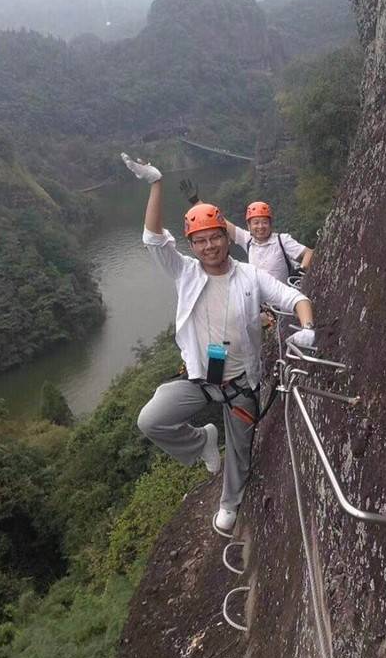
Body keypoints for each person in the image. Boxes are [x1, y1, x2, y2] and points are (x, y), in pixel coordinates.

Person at [121, 153, 315, 534]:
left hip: (241, 381)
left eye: (215, 237)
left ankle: (230, 502)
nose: (209, 246)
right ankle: (202, 442)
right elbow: (153, 239)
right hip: (202, 375)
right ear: (192, 245)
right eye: (201, 241)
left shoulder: (250, 276)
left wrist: (306, 328)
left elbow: (296, 300)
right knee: (152, 420)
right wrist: (156, 183)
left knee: (240, 452)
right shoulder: (185, 273)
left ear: (228, 237)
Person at [180, 180, 313, 284]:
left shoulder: (282, 240)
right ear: (248, 226)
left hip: (283, 300)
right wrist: (196, 202)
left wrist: (301, 270)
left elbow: (308, 253)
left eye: (264, 222)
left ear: (270, 224)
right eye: (255, 222)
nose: (260, 226)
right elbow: (220, 221)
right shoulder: (247, 240)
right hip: (262, 304)